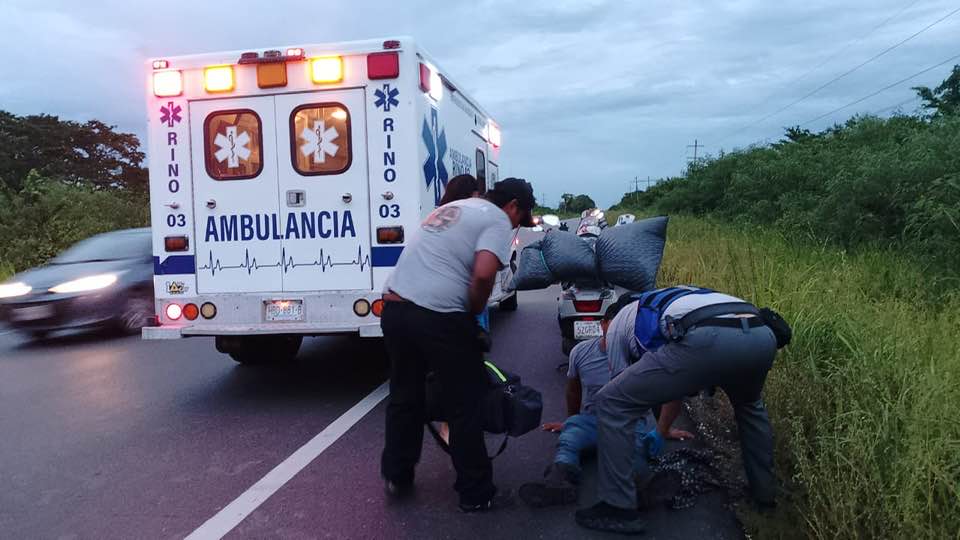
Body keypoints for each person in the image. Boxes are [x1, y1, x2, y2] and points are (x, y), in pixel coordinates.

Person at [380, 177, 536, 512]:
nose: (514, 226)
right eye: (519, 218)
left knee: (405, 396)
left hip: (394, 308)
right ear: (512, 206)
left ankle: (397, 475)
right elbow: (483, 274)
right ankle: (476, 493)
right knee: (465, 403)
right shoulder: (496, 218)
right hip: (438, 316)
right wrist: (474, 311)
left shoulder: (453, 208)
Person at [575, 286, 780, 534]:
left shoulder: (619, 324)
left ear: (611, 318)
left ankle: (618, 508)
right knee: (750, 409)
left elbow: (625, 400)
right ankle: (765, 498)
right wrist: (661, 430)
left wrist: (636, 450)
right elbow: (676, 381)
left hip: (710, 338)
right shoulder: (675, 300)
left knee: (611, 401)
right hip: (761, 335)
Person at [519, 301, 692, 508]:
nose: (621, 334)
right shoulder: (580, 352)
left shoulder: (645, 355)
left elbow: (671, 389)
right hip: (593, 420)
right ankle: (559, 483)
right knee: (569, 440)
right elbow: (573, 391)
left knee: (635, 451)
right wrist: (571, 421)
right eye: (615, 326)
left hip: (631, 423)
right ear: (603, 325)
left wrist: (663, 429)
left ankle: (643, 488)